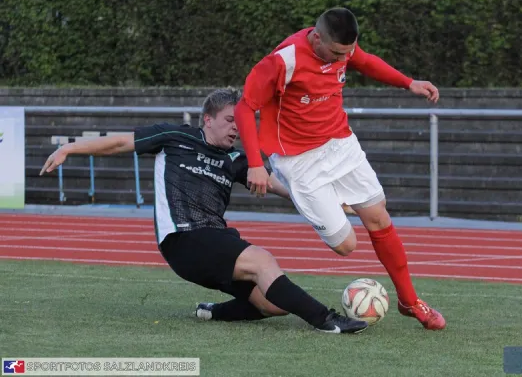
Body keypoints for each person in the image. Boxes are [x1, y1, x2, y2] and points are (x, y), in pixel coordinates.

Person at [39, 87, 368, 334]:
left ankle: (213, 312)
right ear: (207, 119)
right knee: (262, 260)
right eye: (230, 120)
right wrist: (70, 147)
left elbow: (277, 185)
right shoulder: (174, 136)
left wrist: (329, 205)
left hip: (215, 239)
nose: (237, 128)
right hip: (183, 238)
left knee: (272, 305)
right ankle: (327, 320)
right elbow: (119, 143)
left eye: (240, 123)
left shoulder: (237, 159)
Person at [234, 8, 446, 330]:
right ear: (317, 38)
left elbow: (365, 60)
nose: (341, 59)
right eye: (336, 53)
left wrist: (408, 83)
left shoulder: (342, 50)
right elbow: (244, 107)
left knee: (378, 217)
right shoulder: (283, 61)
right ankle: (307, 193)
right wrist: (254, 165)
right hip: (298, 159)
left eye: (346, 53)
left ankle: (409, 301)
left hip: (339, 142)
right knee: (346, 246)